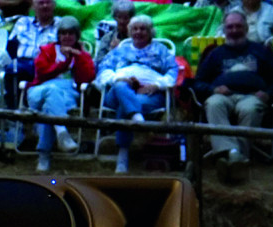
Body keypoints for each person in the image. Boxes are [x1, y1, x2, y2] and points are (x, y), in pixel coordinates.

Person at [193, 8, 273, 164]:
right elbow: (198, 82)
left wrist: (268, 93)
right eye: (230, 27)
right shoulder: (215, 53)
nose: (234, 31)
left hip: (252, 96)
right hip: (223, 96)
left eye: (238, 26)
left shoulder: (261, 50)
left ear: (246, 28)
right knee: (214, 104)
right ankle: (234, 153)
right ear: (224, 29)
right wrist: (213, 90)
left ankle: (233, 155)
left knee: (249, 109)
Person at [95, 13, 177, 173]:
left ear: (150, 32)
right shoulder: (120, 50)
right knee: (121, 88)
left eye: (143, 29)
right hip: (117, 92)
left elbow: (173, 72)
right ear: (130, 31)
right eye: (135, 29)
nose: (138, 32)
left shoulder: (161, 50)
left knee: (127, 106)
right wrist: (119, 79)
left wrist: (157, 85)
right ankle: (137, 118)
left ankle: (123, 155)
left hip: (148, 94)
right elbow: (103, 70)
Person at [23, 16, 94, 173]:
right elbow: (42, 73)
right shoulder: (47, 50)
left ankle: (43, 156)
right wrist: (64, 63)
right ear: (58, 35)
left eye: (71, 33)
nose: (67, 37)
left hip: (66, 96)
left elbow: (87, 78)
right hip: (39, 91)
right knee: (52, 91)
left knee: (49, 109)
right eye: (63, 33)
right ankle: (63, 133)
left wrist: (78, 56)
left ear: (77, 36)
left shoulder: (82, 55)